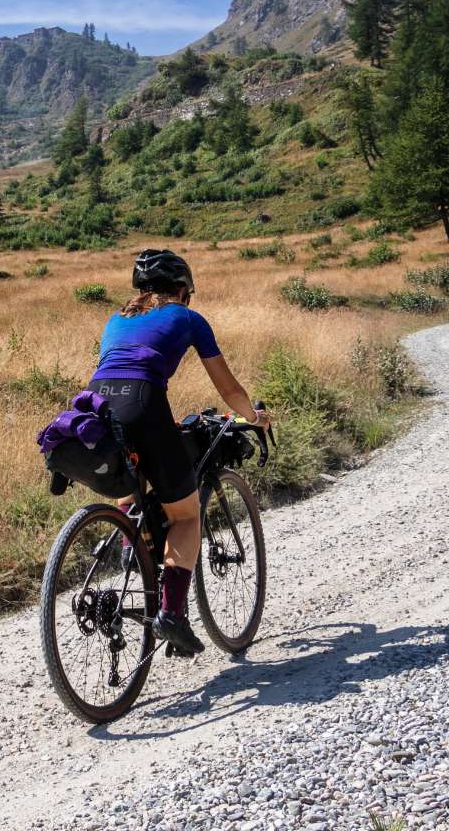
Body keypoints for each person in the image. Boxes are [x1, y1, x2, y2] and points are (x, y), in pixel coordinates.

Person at [90, 248, 273, 657]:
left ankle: (131, 550)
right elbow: (228, 390)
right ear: (181, 289)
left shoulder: (117, 319)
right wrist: (255, 417)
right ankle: (172, 613)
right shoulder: (188, 318)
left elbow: (121, 375)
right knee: (187, 515)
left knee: (132, 488)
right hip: (143, 403)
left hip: (96, 405)